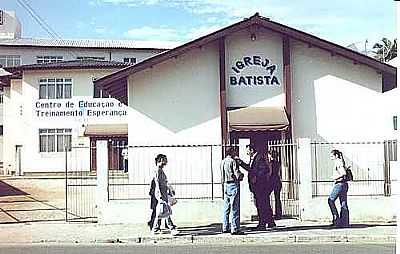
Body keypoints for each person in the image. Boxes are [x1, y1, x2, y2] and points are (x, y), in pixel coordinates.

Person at [236, 144, 276, 230]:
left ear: (251, 150)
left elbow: (264, 170)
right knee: (265, 204)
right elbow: (250, 169)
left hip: (260, 186)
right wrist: (241, 163)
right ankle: (270, 222)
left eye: (247, 150)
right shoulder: (253, 158)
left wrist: (256, 178)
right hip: (258, 186)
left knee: (261, 205)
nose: (246, 152)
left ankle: (262, 224)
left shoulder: (259, 158)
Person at [149, 154, 179, 235]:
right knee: (165, 210)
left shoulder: (161, 170)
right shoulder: (157, 170)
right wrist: (159, 193)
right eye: (164, 160)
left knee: (162, 211)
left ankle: (156, 228)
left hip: (164, 193)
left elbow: (164, 182)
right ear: (160, 160)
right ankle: (171, 227)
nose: (166, 162)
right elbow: (157, 182)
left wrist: (169, 189)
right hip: (161, 194)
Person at [221, 146, 245, 235]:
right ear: (232, 152)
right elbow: (237, 174)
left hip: (225, 185)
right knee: (235, 207)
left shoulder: (223, 162)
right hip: (233, 184)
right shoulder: (233, 161)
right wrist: (242, 175)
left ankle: (225, 226)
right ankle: (235, 228)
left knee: (226, 208)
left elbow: (222, 176)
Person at [328, 149, 350, 228]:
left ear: (336, 156)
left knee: (330, 200)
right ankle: (345, 223)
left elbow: (343, 173)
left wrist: (334, 177)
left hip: (339, 184)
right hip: (344, 184)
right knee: (343, 203)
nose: (331, 158)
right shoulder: (341, 161)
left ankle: (336, 220)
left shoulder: (338, 162)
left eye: (332, 156)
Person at [267, 150, 282, 220]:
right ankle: (278, 214)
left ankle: (269, 213)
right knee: (277, 198)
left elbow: (270, 173)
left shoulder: (270, 163)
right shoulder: (278, 163)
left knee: (266, 197)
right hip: (277, 180)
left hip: (271, 181)